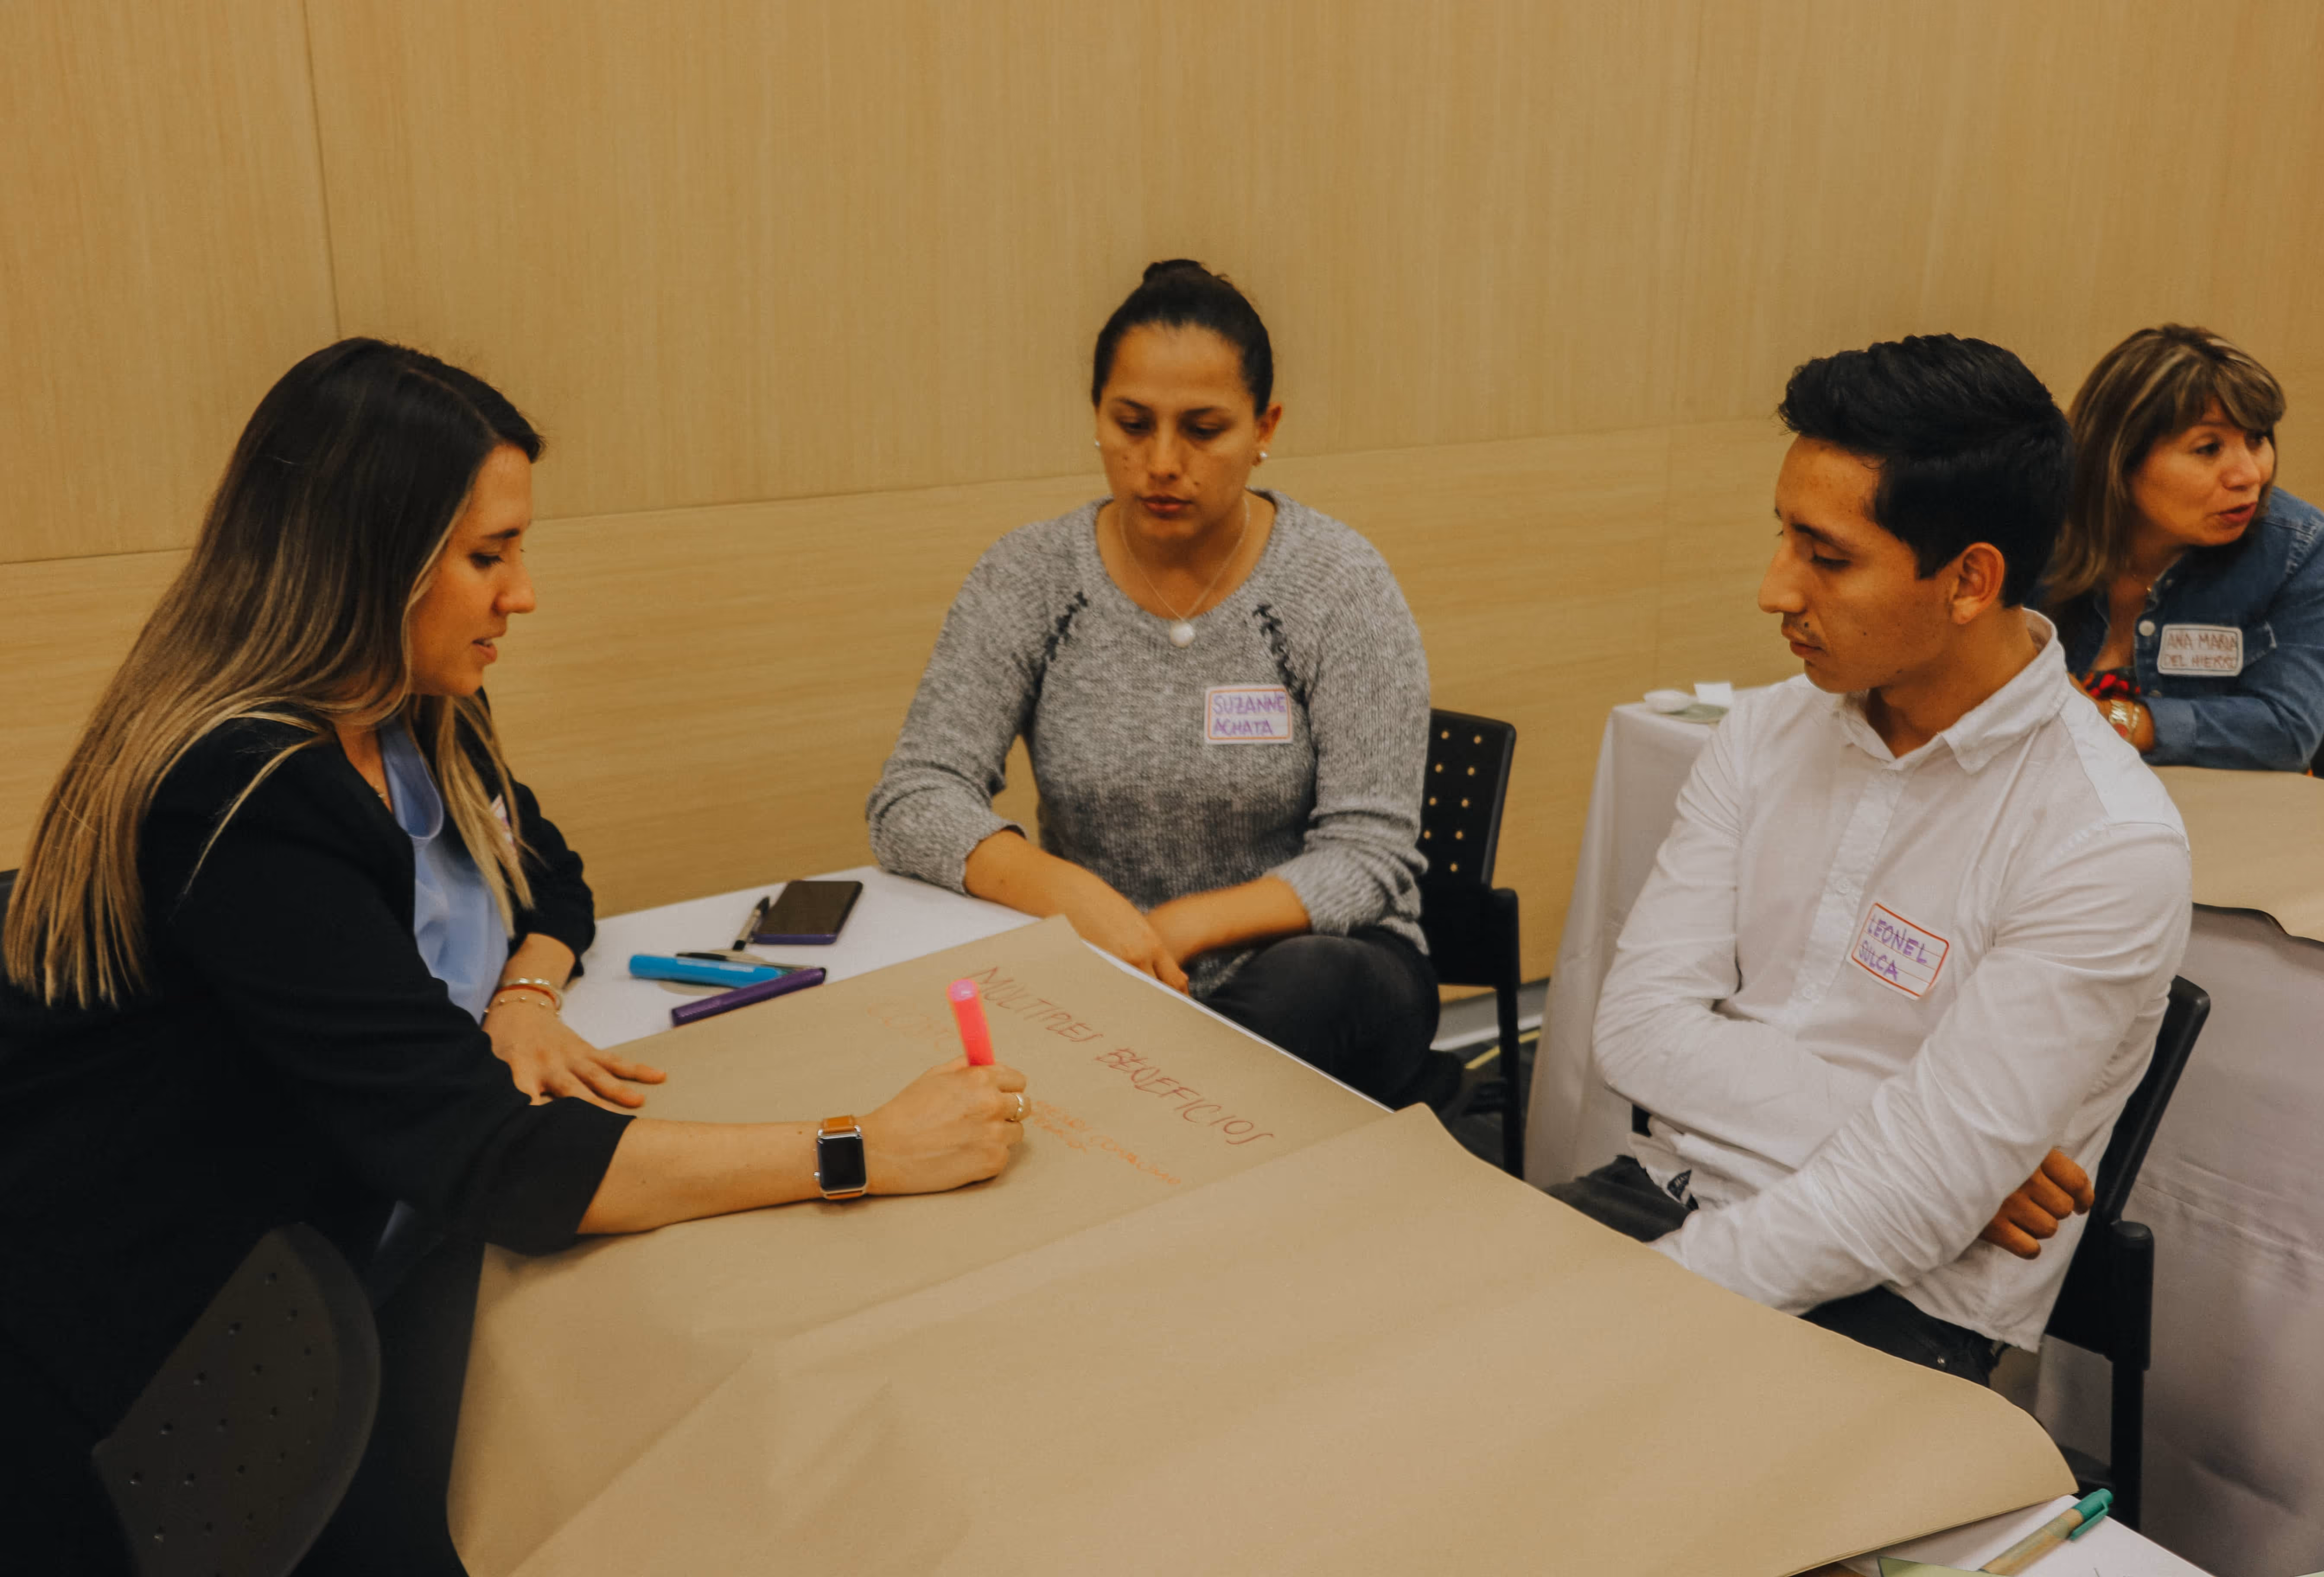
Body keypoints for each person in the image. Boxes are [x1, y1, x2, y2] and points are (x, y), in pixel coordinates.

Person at [0, 340, 1028, 1574]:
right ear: (369, 559)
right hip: (161, 1346)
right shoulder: (247, 798)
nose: (523, 596)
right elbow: (495, 1164)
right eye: (490, 557)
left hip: (344, 1236)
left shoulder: (414, 703)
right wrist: (862, 1149)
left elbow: (549, 871)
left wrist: (523, 992)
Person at [1551, 335, 2192, 1384]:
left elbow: (1904, 1209)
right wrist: (1947, 1158)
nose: (1774, 590)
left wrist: (1639, 1306)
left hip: (1897, 1303)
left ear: (1968, 580)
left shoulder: (2103, 843)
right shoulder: (1761, 733)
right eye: (1782, 539)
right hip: (1665, 1193)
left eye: (1826, 555)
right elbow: (1633, 1031)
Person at [867, 261, 1454, 1108]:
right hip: (1098, 962)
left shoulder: (1335, 583)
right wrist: (1082, 904)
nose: (1162, 463)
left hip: (1323, 965)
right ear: (1096, 418)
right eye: (1132, 425)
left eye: (1204, 429)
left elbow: (1372, 853)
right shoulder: (1032, 576)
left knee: (1294, 996)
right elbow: (916, 796)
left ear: (1264, 428)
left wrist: (1171, 930)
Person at [2042, 324, 2324, 770]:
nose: (2249, 475)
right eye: (2208, 448)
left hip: (2224, 819)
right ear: (2119, 459)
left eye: (2257, 439)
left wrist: (2116, 720)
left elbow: (2288, 731)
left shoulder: (2298, 547)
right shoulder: (2033, 533)